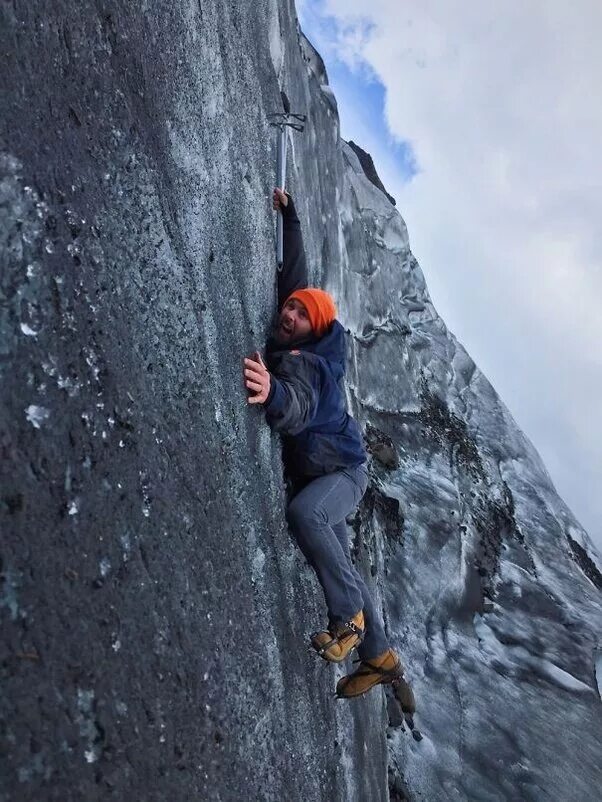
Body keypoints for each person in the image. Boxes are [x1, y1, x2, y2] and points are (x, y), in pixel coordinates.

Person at [243, 187, 412, 700]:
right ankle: (382, 661)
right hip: (328, 472)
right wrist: (290, 216)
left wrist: (272, 392)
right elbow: (297, 275)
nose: (287, 314)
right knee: (344, 566)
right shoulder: (304, 332)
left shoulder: (314, 367)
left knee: (306, 517)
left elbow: (298, 407)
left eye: (297, 314)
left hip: (341, 476)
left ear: (310, 331)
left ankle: (349, 622)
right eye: (288, 308)